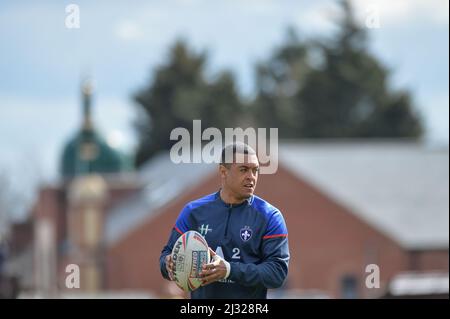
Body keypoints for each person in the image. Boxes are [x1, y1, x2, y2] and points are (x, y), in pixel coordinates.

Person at [159, 142, 290, 298]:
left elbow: (277, 273)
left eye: (255, 170)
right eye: (243, 170)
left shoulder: (270, 217)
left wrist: (228, 270)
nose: (251, 177)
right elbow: (167, 255)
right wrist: (169, 264)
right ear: (223, 171)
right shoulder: (193, 212)